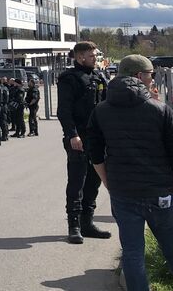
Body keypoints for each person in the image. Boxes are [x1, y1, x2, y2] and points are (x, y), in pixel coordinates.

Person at [86, 54, 173, 291]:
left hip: (123, 191)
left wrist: (109, 182)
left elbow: (95, 154)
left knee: (132, 252)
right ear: (139, 76)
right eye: (150, 74)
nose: (152, 79)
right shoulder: (160, 110)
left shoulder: (101, 110)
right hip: (160, 191)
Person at [57, 41, 111, 244]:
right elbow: (64, 111)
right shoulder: (69, 79)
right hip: (78, 137)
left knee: (94, 181)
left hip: (98, 137)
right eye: (92, 56)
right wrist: (72, 135)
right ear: (80, 57)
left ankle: (87, 223)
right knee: (77, 181)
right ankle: (74, 226)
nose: (95, 59)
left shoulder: (99, 76)